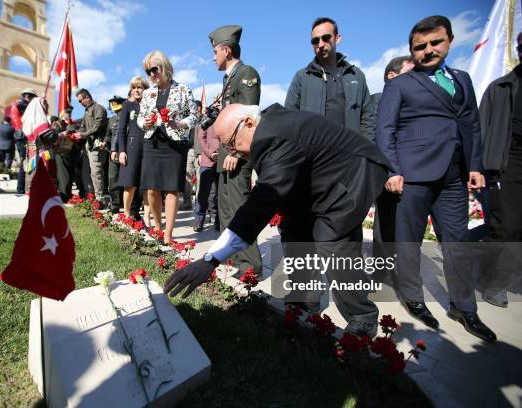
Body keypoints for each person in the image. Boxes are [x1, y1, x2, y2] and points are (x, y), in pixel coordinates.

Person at [165, 103, 391, 337]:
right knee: (293, 228)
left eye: (231, 143)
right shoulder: (267, 128)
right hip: (319, 181)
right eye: (226, 146)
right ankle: (305, 300)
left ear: (249, 124)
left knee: (331, 239)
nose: (231, 152)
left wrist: (210, 261)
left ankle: (362, 316)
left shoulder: (277, 138)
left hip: (352, 174)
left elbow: (260, 203)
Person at [375, 15, 496, 342]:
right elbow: (384, 130)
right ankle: (412, 295)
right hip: (413, 176)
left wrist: (474, 166)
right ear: (412, 49)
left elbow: (471, 125)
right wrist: (392, 170)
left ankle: (464, 307)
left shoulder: (463, 79)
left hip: (453, 177)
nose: (428, 50)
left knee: (457, 243)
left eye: (435, 43)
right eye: (420, 46)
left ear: (448, 42)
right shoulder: (400, 84)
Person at [209, 24, 263, 275]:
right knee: (226, 209)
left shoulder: (246, 73)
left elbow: (247, 117)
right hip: (225, 153)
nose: (213, 57)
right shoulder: (229, 78)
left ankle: (250, 266)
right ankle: (231, 258)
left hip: (236, 154)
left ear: (226, 50)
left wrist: (236, 153)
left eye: (215, 51)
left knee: (240, 209)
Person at [477, 31, 522, 308]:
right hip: (509, 162)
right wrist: (479, 168)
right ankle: (495, 282)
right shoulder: (501, 88)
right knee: (507, 226)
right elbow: (481, 130)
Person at [137, 50, 198, 244]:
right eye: (148, 71)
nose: (152, 74)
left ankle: (168, 234)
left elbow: (195, 116)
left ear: (164, 66)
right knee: (151, 189)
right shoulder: (147, 93)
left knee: (172, 189)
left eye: (154, 69)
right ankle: (157, 226)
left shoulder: (183, 90)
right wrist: (144, 123)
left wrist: (179, 124)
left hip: (174, 144)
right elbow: (140, 117)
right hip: (152, 142)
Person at [285, 17, 375, 139]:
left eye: (326, 38)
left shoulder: (356, 75)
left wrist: (366, 152)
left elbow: (368, 117)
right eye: (315, 41)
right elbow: (289, 118)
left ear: (337, 38)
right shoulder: (302, 77)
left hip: (351, 152)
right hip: (315, 154)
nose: (320, 44)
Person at [371, 56, 414, 262]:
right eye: (410, 73)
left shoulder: (417, 103)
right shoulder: (376, 101)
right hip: (386, 171)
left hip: (415, 171)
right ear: (391, 75)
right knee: (386, 224)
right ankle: (383, 270)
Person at [118, 77, 151, 221]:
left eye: (140, 87)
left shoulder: (150, 105)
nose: (137, 90)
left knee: (148, 185)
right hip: (132, 148)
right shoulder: (127, 105)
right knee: (130, 184)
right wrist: (122, 151)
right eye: (134, 87)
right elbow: (121, 131)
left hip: (149, 147)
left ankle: (148, 218)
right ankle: (126, 214)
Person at [75, 88, 108, 206]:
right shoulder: (86, 111)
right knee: (85, 173)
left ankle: (100, 199)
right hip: (88, 147)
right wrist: (76, 134)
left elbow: (97, 126)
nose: (80, 103)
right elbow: (83, 128)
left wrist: (83, 134)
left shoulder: (99, 109)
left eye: (80, 101)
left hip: (97, 147)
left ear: (87, 97)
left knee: (96, 173)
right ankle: (91, 198)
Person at [194, 100, 220, 232]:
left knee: (217, 194)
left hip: (222, 161)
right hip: (208, 161)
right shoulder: (207, 119)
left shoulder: (227, 118)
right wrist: (210, 153)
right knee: (203, 193)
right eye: (216, 104)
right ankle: (199, 220)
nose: (218, 106)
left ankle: (217, 220)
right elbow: (201, 137)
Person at [10, 88, 38, 194]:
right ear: (29, 97)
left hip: (21, 135)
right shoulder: (23, 104)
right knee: (25, 162)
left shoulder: (19, 103)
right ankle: (21, 189)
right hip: (23, 136)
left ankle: (22, 188)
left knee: (25, 162)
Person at [106, 95, 126, 212]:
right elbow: (108, 135)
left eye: (116, 104)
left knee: (126, 180)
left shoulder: (127, 116)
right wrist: (104, 142)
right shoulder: (111, 120)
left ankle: (127, 204)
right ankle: (115, 204)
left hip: (125, 151)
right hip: (114, 153)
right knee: (113, 178)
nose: (114, 106)